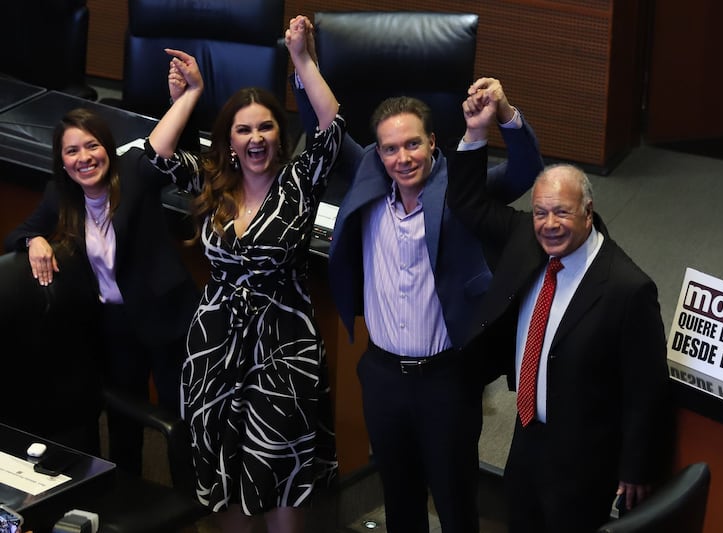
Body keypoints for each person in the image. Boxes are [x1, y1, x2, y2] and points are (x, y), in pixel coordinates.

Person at [292, 42, 544, 529]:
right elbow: (325, 126)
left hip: (445, 381)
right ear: (377, 152)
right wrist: (303, 62)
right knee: (400, 501)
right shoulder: (367, 178)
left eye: (412, 144)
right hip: (382, 376)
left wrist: (506, 113)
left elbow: (524, 171)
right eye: (389, 148)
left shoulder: (461, 190)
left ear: (433, 142)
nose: (402, 157)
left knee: (454, 504)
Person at [145, 15, 344, 532]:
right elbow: (158, 153)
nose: (255, 139)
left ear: (280, 133)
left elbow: (332, 126)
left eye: (265, 126)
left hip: (284, 349)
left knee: (280, 466)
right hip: (214, 347)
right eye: (243, 129)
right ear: (229, 139)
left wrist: (302, 60)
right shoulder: (214, 179)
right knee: (223, 464)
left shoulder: (300, 181)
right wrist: (190, 94)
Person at [446, 91, 672, 532]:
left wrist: (637, 468)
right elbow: (467, 203)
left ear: (589, 213)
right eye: (541, 212)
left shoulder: (629, 289)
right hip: (527, 436)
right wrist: (479, 131)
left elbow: (647, 389)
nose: (549, 224)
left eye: (562, 213)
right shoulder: (525, 240)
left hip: (584, 456)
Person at [4, 107, 200, 473]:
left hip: (167, 316)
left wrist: (188, 94)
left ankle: (193, 505)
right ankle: (126, 493)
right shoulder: (59, 194)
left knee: (181, 418)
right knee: (124, 422)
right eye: (72, 151)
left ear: (107, 148)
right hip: (116, 326)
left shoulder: (134, 171)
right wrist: (34, 240)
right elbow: (14, 234)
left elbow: (162, 144)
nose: (84, 158)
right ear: (62, 162)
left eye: (91, 146)